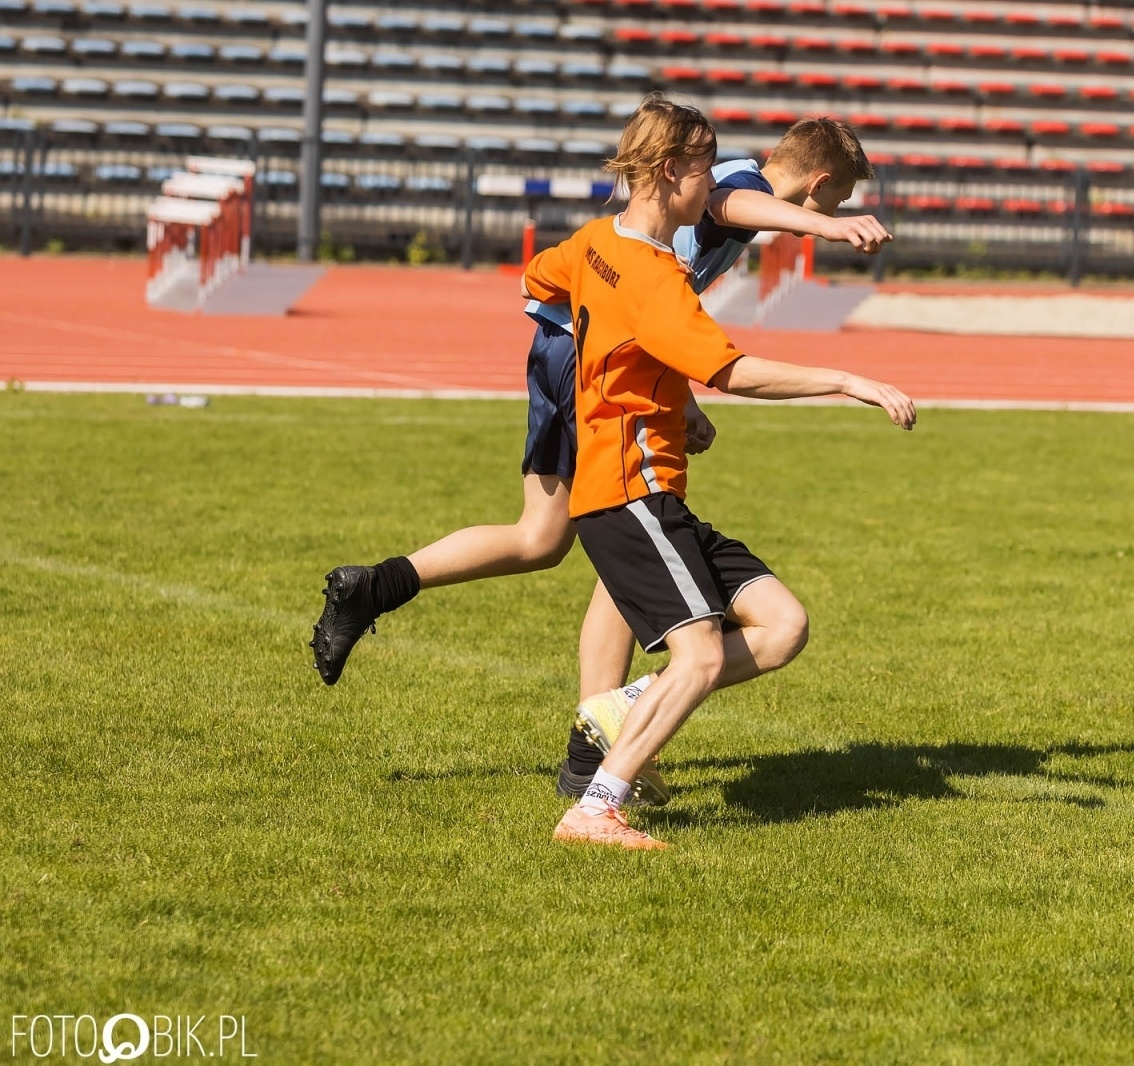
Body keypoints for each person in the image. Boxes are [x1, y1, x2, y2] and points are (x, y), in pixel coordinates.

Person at [309, 104, 890, 800]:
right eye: (839, 198)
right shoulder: (731, 184)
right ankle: (597, 744)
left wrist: (681, 396)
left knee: (545, 537)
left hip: (573, 341)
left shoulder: (681, 215)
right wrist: (826, 226)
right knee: (632, 515)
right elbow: (733, 206)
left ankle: (374, 585)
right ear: (820, 182)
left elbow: (641, 317)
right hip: (585, 349)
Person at [520, 97, 914, 849]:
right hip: (628, 491)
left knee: (783, 625)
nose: (719, 191)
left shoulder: (597, 242)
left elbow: (538, 285)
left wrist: (652, 386)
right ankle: (595, 806)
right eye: (707, 172)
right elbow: (731, 369)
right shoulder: (652, 274)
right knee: (699, 656)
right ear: (673, 173)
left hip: (654, 490)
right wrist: (849, 381)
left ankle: (616, 707)